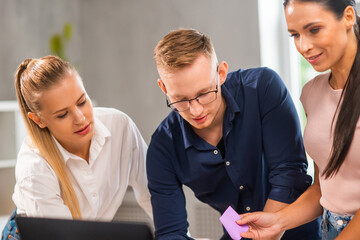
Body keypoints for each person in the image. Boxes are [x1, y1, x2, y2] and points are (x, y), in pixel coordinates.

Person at [146, 28, 320, 240]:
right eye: (181, 100)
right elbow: (170, 233)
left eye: (204, 93)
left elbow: (290, 174)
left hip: (299, 233)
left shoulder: (263, 89)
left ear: (221, 74)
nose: (196, 110)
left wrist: (269, 233)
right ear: (164, 88)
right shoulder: (162, 148)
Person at [238, 0, 360, 239]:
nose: (303, 46)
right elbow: (322, 188)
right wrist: (277, 221)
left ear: (348, 17)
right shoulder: (312, 93)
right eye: (295, 35)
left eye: (314, 30)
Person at [1, 56, 152, 240]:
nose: (80, 118)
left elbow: (153, 192)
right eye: (63, 114)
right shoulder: (34, 169)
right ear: (39, 120)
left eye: (82, 101)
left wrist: (178, 235)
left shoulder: (120, 126)